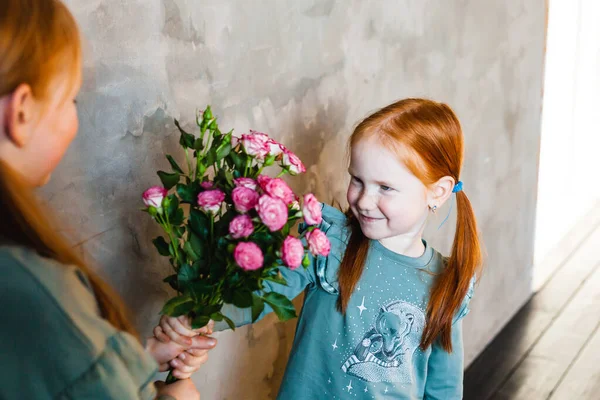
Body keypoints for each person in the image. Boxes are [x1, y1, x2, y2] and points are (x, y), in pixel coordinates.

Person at [161, 98, 483, 399]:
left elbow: (443, 390)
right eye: (357, 180)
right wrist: (201, 317)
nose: (363, 200)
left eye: (385, 187)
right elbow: (261, 291)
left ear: (437, 192)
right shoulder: (330, 243)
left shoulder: (446, 283)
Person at [0, 1, 214, 398]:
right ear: (23, 112)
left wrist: (139, 359)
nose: (73, 117)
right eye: (70, 100)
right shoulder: (37, 293)